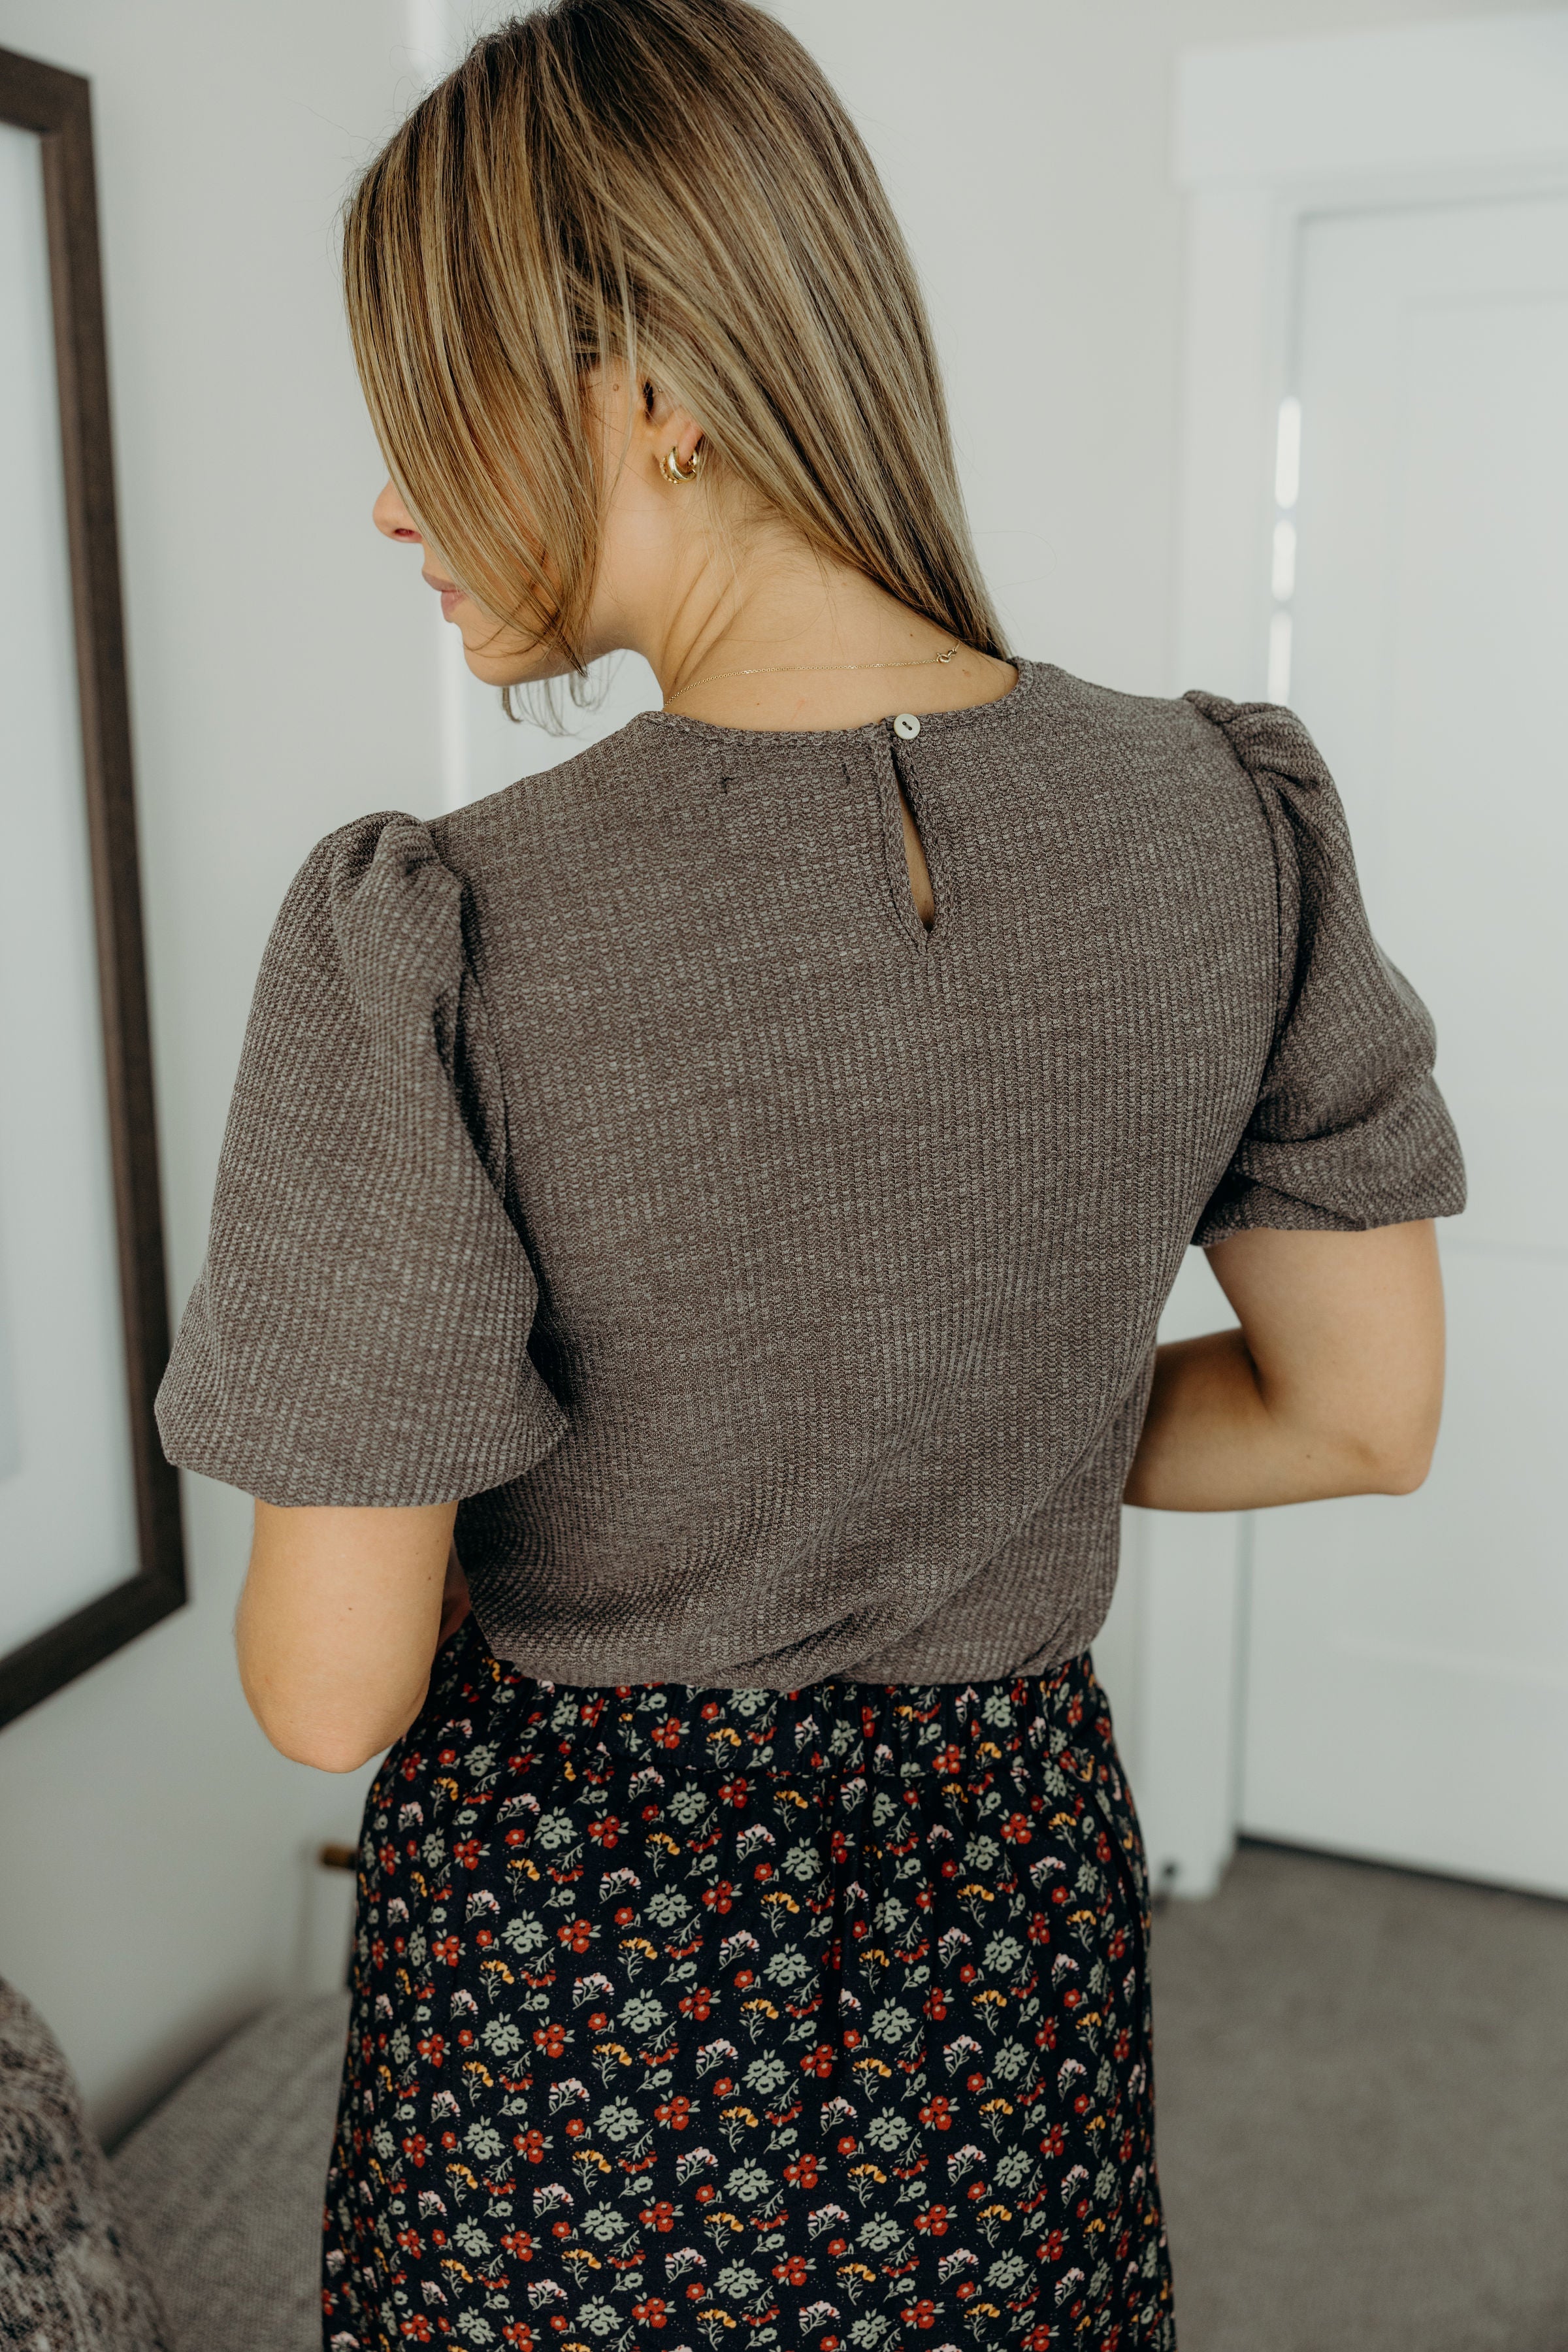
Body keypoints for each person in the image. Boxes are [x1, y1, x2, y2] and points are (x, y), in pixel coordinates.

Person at [154, 3, 1465, 2346]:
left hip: (585, 2009)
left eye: (431, 400)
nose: (389, 495)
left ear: (656, 387)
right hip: (1012, 1928)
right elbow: (1361, 1415)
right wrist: (991, 1433)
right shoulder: (1225, 816)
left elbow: (332, 1692)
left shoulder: (432, 930)